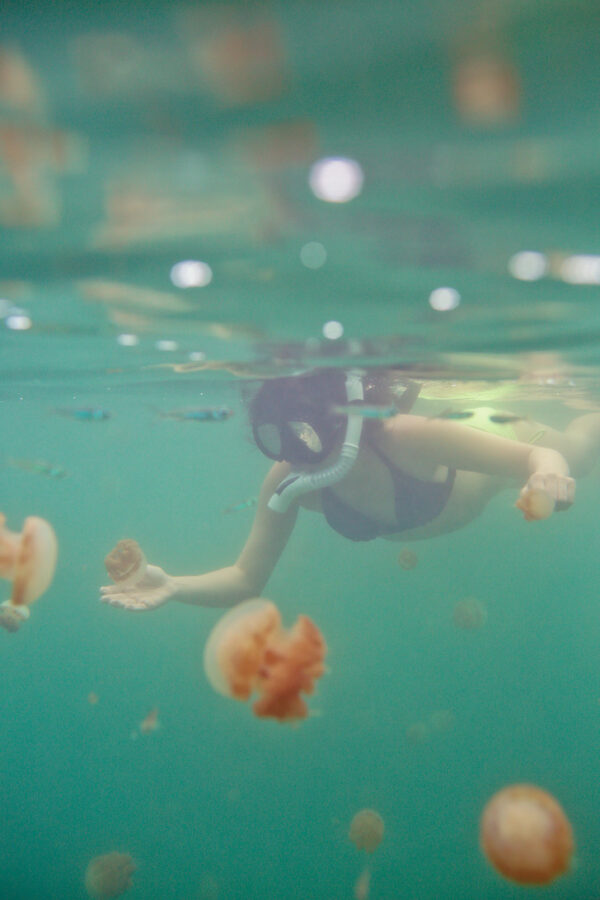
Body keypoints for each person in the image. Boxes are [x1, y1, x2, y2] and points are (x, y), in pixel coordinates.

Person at [100, 368, 600, 612]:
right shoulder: (288, 479)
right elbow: (245, 577)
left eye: (303, 435)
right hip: (447, 506)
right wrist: (173, 586)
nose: (292, 453)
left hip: (495, 431)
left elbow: (537, 458)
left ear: (339, 424)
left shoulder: (409, 437)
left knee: (577, 446)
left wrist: (547, 474)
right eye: (274, 439)